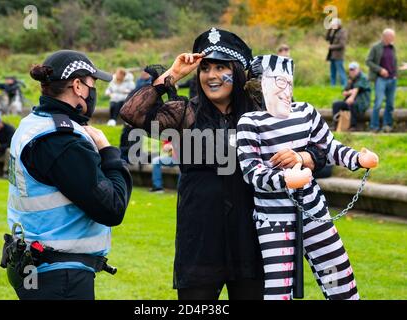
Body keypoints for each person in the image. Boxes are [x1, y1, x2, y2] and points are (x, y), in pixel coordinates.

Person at [120, 28, 327, 300]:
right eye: (205, 68)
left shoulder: (264, 114)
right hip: (201, 238)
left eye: (221, 67)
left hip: (253, 235)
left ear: (238, 72)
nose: (212, 76)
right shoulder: (185, 113)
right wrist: (173, 74)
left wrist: (303, 157)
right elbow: (132, 113)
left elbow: (319, 147)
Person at [237, 54, 379, 300]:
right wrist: (284, 180)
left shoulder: (306, 112)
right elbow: (251, 172)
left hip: (314, 212)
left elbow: (328, 147)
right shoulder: (249, 122)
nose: (285, 89)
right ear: (260, 85)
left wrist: (357, 159)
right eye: (278, 82)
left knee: (338, 277)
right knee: (279, 288)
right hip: (273, 218)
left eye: (288, 82)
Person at [5, 50, 132, 300]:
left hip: (38, 266)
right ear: (78, 86)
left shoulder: (32, 124)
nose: (94, 92)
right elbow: (112, 207)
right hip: (60, 276)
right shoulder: (62, 141)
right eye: (92, 84)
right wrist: (109, 152)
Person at [366, 28, 405, 133]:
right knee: (378, 103)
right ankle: (374, 126)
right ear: (385, 36)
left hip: (392, 79)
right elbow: (368, 61)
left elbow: (393, 62)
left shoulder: (393, 47)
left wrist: (396, 74)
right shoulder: (376, 47)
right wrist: (380, 70)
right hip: (380, 79)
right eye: (391, 36)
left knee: (390, 104)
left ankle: (387, 125)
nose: (393, 38)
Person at [331, 62, 371, 131]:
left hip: (362, 102)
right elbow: (344, 92)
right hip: (350, 101)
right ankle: (336, 125)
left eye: (354, 69)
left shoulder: (363, 77)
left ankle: (353, 126)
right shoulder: (350, 79)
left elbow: (356, 89)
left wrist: (351, 97)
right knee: (336, 105)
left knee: (352, 103)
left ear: (358, 69)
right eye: (351, 70)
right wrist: (349, 90)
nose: (352, 71)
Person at [326, 18, 347, 87]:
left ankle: (345, 86)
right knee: (332, 72)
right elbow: (327, 38)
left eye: (334, 24)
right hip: (332, 55)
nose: (333, 26)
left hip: (338, 56)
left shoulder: (342, 32)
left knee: (341, 72)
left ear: (338, 24)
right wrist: (329, 29)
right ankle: (332, 86)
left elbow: (342, 45)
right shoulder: (334, 31)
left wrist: (331, 47)